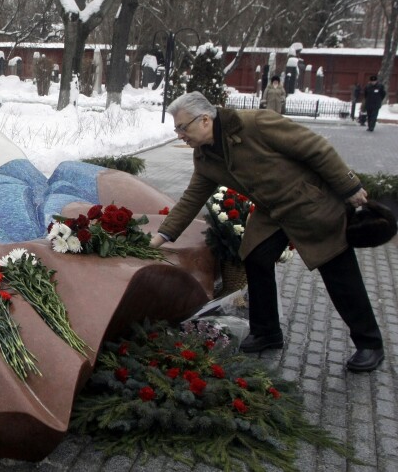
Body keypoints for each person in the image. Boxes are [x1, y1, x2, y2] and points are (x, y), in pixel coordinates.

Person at [150, 91, 384, 372]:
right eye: (176, 128)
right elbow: (191, 198)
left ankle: (369, 343)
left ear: (204, 120)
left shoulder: (255, 123)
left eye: (182, 127)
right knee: (256, 256)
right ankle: (266, 331)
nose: (179, 135)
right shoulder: (206, 156)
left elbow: (315, 147)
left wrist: (350, 186)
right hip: (271, 212)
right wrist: (162, 236)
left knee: (339, 272)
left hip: (309, 203)